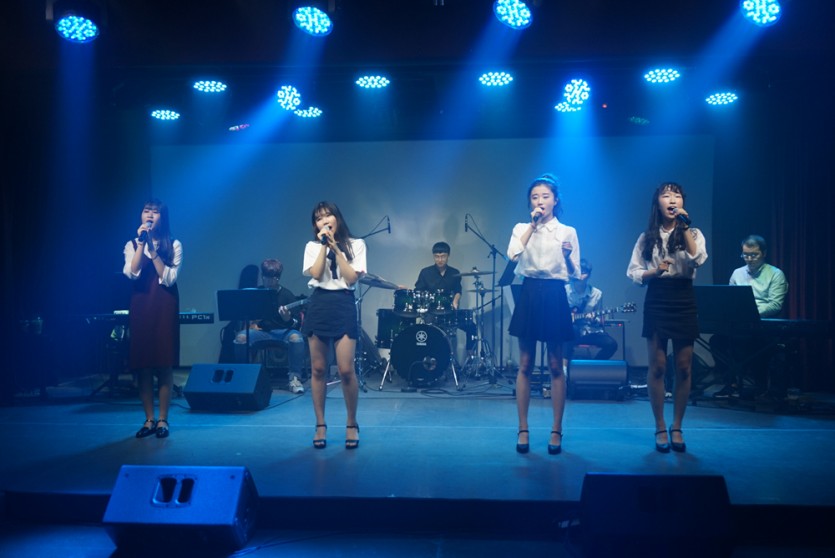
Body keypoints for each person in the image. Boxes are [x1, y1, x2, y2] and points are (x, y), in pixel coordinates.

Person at [627, 182, 707, 453]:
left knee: (683, 366)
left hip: (684, 297)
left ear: (683, 202)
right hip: (658, 296)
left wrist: (684, 227)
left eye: (677, 195)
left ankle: (677, 426)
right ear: (657, 203)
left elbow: (697, 258)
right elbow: (634, 272)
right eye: (666, 195)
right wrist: (655, 272)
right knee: (659, 366)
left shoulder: (693, 232)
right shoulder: (647, 237)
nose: (672, 199)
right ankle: (660, 425)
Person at [507, 174, 580, 455]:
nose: (540, 201)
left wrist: (567, 256)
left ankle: (556, 429)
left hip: (554, 293)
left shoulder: (567, 231)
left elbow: (574, 273)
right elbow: (513, 255)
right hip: (529, 291)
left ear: (555, 200)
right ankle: (523, 428)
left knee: (555, 364)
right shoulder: (521, 228)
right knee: (525, 363)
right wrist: (532, 226)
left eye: (545, 196)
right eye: (535, 197)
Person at [302, 201, 366, 449]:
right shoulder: (311, 246)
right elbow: (317, 274)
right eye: (319, 218)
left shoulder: (356, 244)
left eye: (328, 215)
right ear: (315, 225)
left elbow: (350, 278)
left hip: (343, 303)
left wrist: (337, 249)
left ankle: (351, 423)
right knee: (318, 369)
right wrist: (323, 246)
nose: (324, 221)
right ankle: (320, 424)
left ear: (337, 218)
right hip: (319, 304)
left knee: (345, 370)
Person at [123, 198, 183, 439]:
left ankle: (163, 419)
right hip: (141, 305)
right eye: (146, 210)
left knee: (164, 363)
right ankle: (149, 419)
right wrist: (142, 244)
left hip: (164, 305)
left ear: (162, 217)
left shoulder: (174, 244)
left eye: (155, 212)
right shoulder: (131, 244)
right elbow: (132, 273)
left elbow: (168, 278)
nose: (149, 215)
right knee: (144, 365)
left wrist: (153, 250)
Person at [713, 235, 789, 398]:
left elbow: (775, 305)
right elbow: (730, 300)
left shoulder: (776, 274)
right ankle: (731, 383)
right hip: (740, 325)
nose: (749, 259)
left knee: (752, 343)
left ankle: (760, 385)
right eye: (745, 255)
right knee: (716, 341)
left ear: (764, 253)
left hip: (763, 327)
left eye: (754, 255)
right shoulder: (737, 273)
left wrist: (750, 313)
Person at [233, 259, 307, 394]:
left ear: (278, 278)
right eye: (266, 277)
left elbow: (296, 324)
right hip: (260, 332)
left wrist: (287, 318)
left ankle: (295, 379)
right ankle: (244, 377)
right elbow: (245, 313)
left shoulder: (287, 295)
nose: (269, 281)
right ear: (262, 276)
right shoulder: (257, 293)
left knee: (297, 338)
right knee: (241, 338)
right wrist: (252, 322)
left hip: (283, 332)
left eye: (273, 278)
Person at [414, 241, 478, 365]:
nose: (440, 260)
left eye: (443, 256)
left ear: (448, 256)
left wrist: (455, 300)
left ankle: (470, 361)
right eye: (437, 257)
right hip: (432, 313)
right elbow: (418, 291)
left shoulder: (455, 273)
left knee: (471, 327)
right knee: (432, 334)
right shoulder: (425, 272)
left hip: (450, 312)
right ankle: (432, 362)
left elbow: (458, 291)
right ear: (433, 256)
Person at [563, 258, 618, 364]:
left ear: (589, 275)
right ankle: (566, 367)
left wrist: (593, 320)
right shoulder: (565, 290)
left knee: (611, 344)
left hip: (589, 331)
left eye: (584, 272)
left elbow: (600, 319)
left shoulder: (596, 294)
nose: (580, 275)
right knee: (572, 330)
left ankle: (593, 366)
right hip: (570, 332)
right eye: (578, 272)